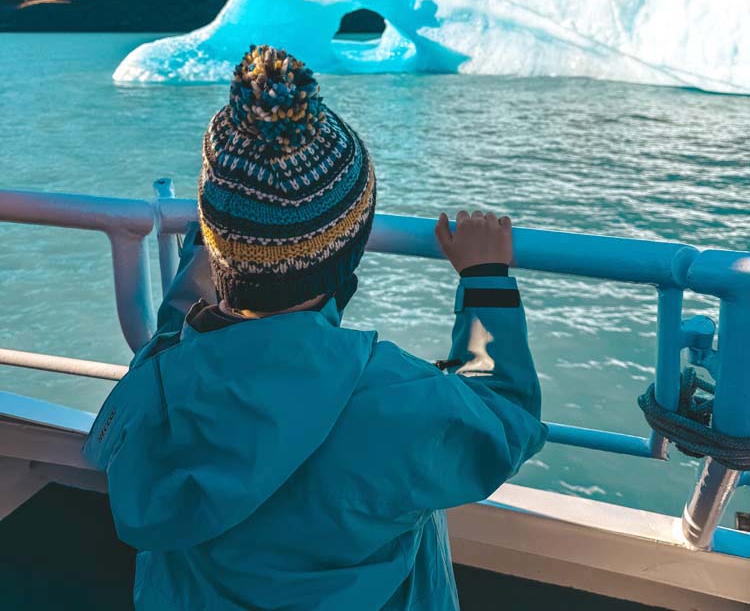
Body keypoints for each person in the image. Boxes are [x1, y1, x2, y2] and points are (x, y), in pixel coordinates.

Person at [85, 44, 547, 611]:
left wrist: (223, 231)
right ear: (349, 250)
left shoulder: (163, 381)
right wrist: (485, 283)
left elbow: (180, 320)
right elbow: (505, 416)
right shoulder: (395, 400)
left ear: (217, 238)